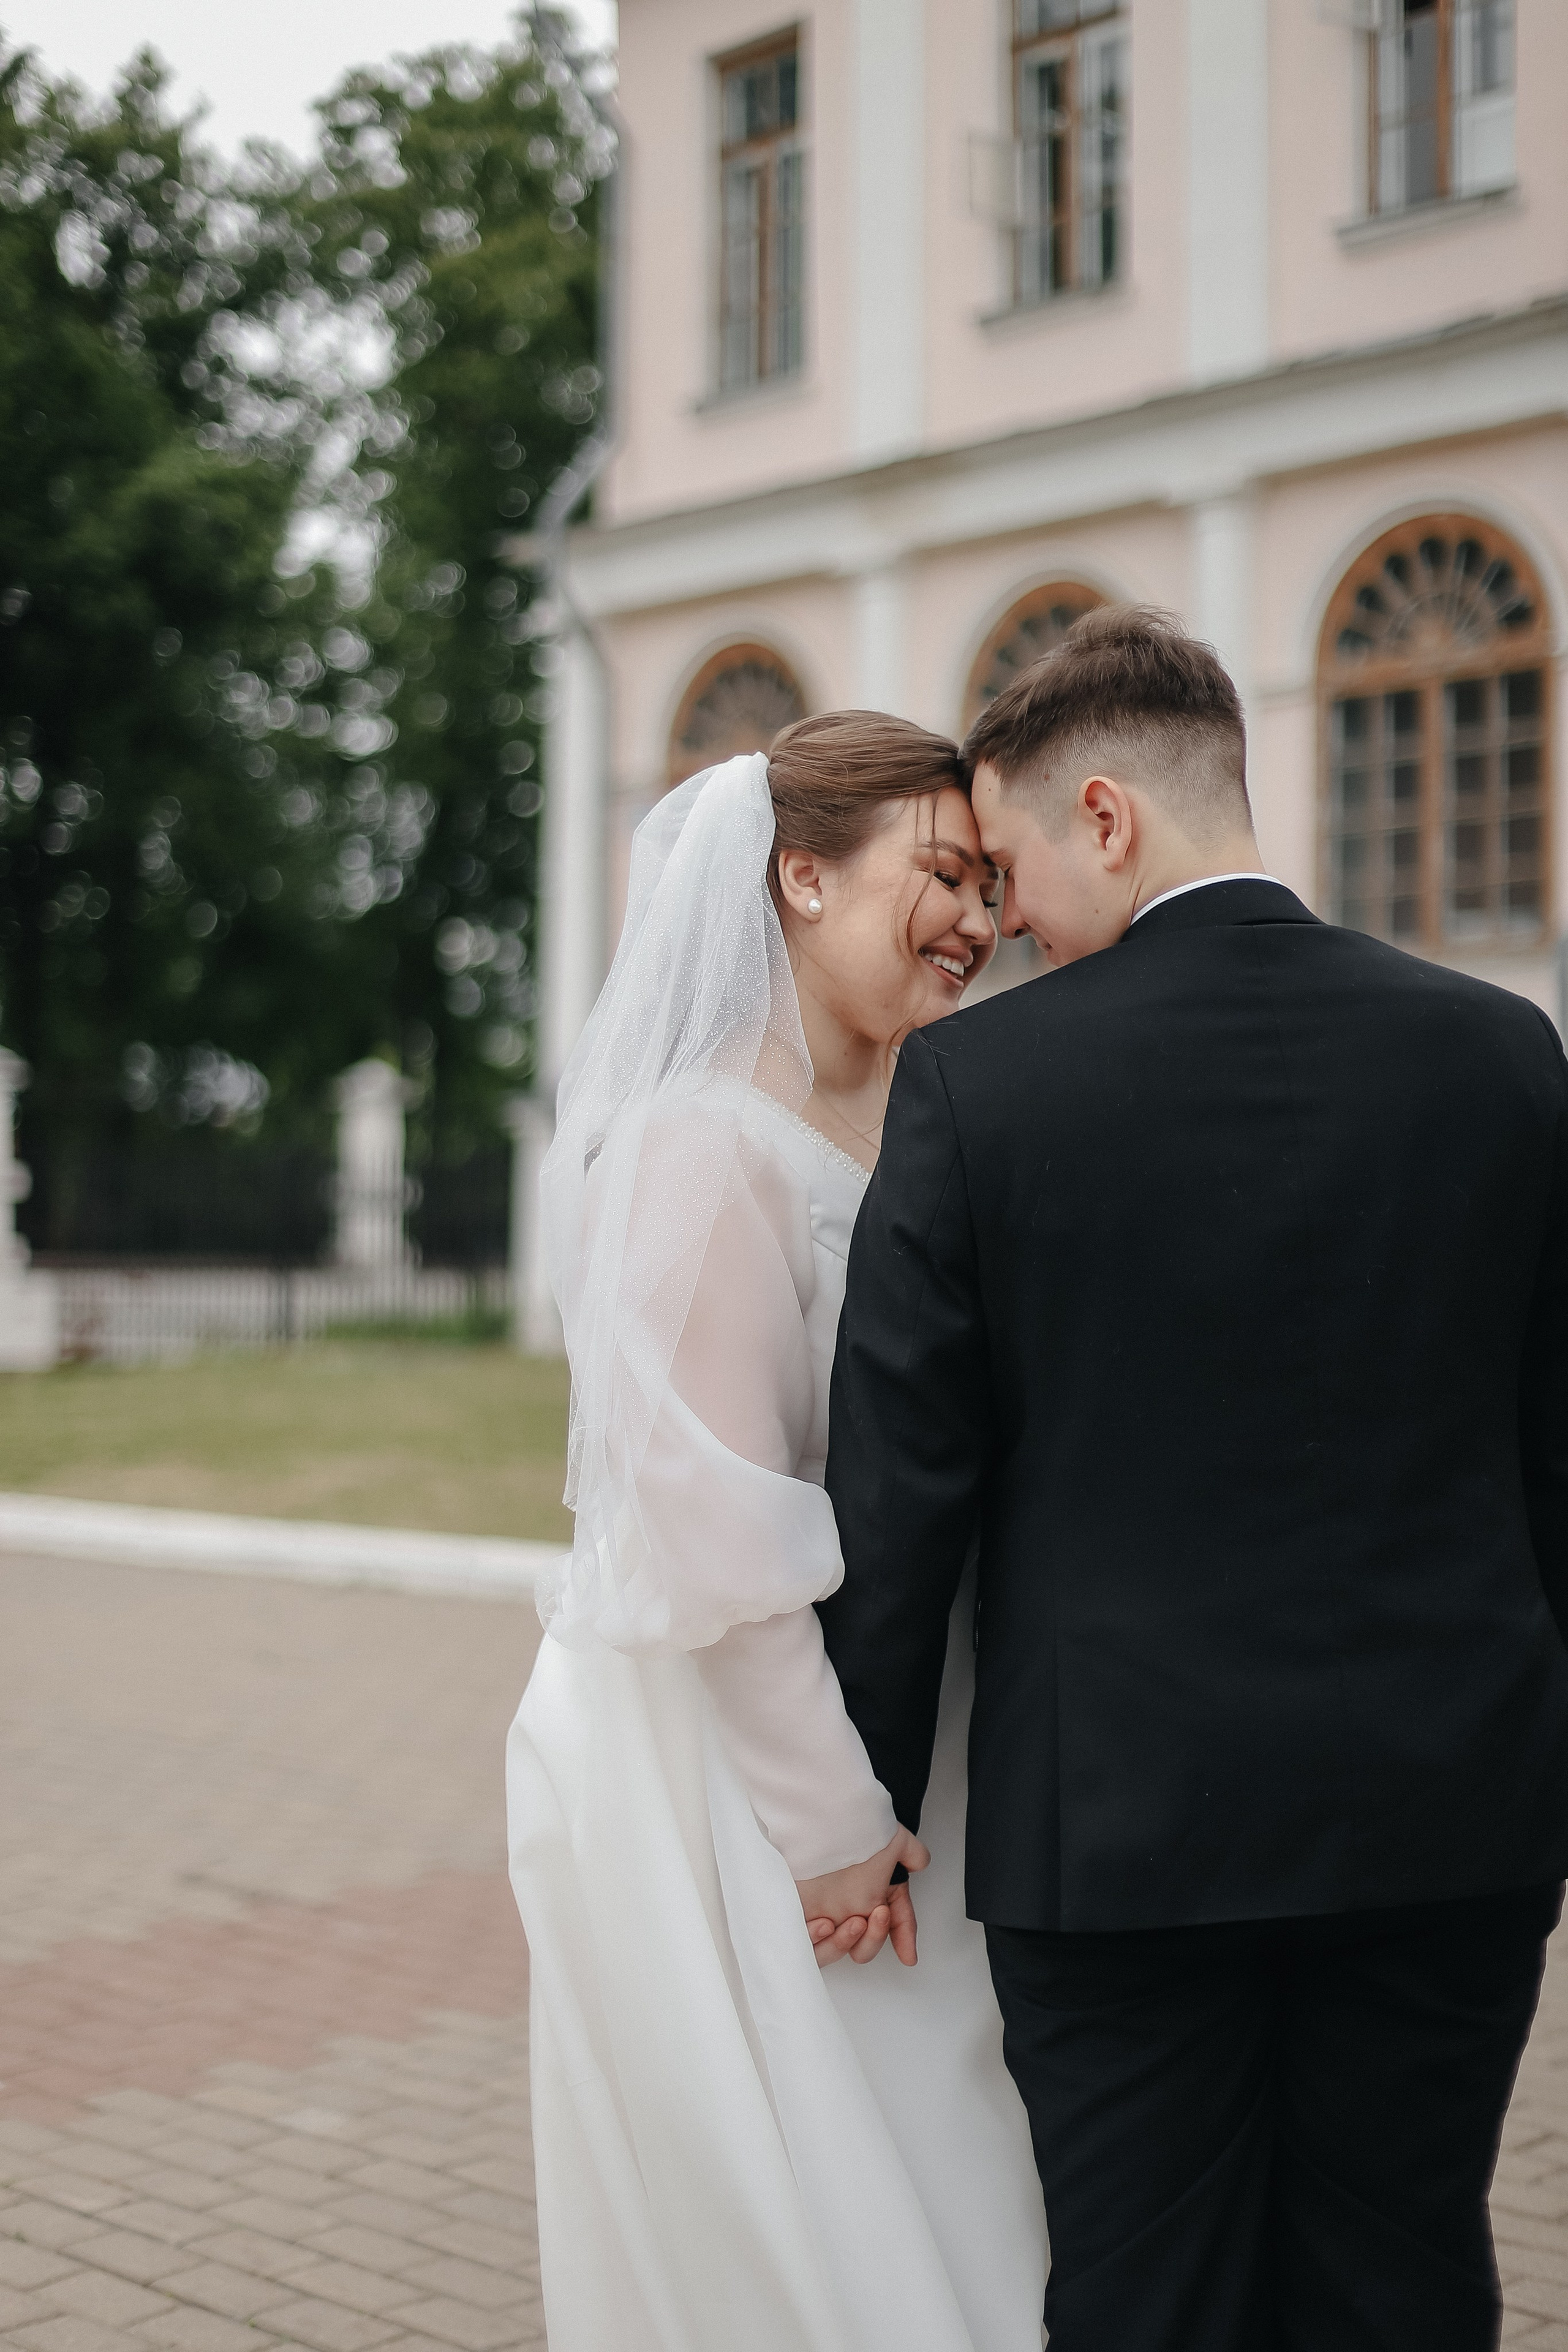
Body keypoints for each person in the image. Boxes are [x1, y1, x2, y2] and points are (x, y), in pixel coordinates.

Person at [813, 605, 1568, 2351]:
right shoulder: (1503, 1054)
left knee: (1149, 2301)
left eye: (1003, 866)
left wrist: (858, 1806)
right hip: (1450, 1817)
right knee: (1406, 2282)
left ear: (1104, 818)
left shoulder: (981, 1086)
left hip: (1123, 1838)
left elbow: (901, 1486)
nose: (998, 924)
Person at [506, 713, 1049, 2351]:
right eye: (941, 874)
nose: (976, 917)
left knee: (936, 2147)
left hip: (906, 1736)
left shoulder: (912, 1116)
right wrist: (827, 1824)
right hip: (742, 1767)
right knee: (811, 2171)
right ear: (801, 878)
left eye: (988, 882)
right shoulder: (697, 1146)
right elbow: (705, 1515)